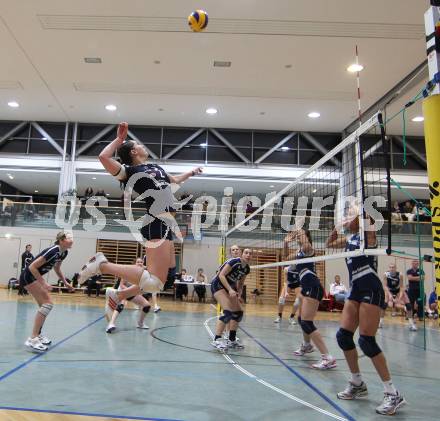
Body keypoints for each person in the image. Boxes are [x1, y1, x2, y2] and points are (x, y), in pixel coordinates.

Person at [79, 122, 202, 307]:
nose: (142, 146)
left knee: (167, 279)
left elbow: (175, 180)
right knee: (154, 282)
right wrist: (119, 140)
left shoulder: (156, 167)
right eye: (138, 145)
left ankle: (118, 295)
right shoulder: (129, 172)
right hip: (156, 221)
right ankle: (102, 265)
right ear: (133, 152)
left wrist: (191, 172)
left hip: (167, 223)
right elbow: (103, 157)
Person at [326, 211, 405, 416]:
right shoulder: (349, 238)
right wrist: (338, 225)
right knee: (343, 337)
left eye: (351, 216)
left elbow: (368, 220)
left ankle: (392, 392)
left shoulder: (368, 236)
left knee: (367, 341)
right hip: (355, 289)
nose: (348, 218)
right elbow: (328, 243)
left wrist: (359, 211)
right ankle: (357, 382)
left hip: (371, 289)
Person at [289, 229, 336, 370]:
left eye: (300, 235)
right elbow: (286, 258)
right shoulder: (299, 253)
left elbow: (305, 242)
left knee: (307, 322)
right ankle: (307, 345)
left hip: (313, 287)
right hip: (306, 288)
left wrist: (299, 230)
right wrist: (286, 243)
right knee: (301, 319)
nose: (297, 236)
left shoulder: (309, 249)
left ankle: (327, 358)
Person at [20, 232, 74, 352]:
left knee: (44, 306)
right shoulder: (53, 251)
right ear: (61, 240)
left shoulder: (64, 252)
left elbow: (57, 268)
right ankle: (32, 339)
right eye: (69, 238)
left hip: (33, 278)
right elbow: (32, 267)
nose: (72, 240)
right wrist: (44, 283)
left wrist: (65, 283)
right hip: (28, 277)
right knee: (47, 303)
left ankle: (37, 335)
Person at [211, 248, 252, 351]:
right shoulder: (234, 262)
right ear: (241, 254)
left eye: (250, 254)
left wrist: (239, 294)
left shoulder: (246, 268)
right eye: (246, 253)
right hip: (218, 285)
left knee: (238, 312)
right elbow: (221, 275)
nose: (248, 255)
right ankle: (217, 339)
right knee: (228, 311)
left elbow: (241, 283)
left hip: (230, 288)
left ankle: (232, 339)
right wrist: (230, 290)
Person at [106, 258, 151, 333]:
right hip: (122, 290)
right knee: (121, 306)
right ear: (134, 264)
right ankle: (111, 324)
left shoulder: (144, 273)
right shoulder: (129, 271)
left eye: (141, 262)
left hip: (132, 293)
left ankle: (140, 323)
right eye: (138, 262)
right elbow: (122, 285)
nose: (139, 263)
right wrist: (127, 292)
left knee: (147, 305)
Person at [274, 233, 301, 324]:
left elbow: (300, 251)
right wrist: (286, 292)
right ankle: (279, 316)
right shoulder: (286, 268)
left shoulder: (300, 265)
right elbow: (285, 282)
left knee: (298, 301)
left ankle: (291, 317)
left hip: (297, 283)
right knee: (281, 299)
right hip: (288, 283)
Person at [381, 264, 414, 330]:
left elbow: (401, 287)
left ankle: (411, 324)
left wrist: (399, 297)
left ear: (396, 268)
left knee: (409, 305)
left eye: (393, 267)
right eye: (390, 267)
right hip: (389, 290)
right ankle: (380, 322)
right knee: (384, 305)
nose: (391, 269)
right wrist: (390, 295)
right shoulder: (386, 274)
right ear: (389, 268)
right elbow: (385, 286)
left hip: (398, 290)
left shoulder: (400, 275)